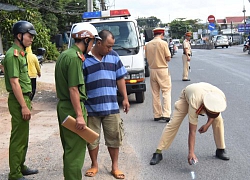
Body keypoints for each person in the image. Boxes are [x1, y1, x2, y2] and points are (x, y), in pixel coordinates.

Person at [54, 22, 101, 180]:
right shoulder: (74, 58)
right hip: (72, 108)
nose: (93, 45)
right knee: (76, 151)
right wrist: (80, 115)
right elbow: (73, 89)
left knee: (69, 149)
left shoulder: (65, 55)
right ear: (86, 40)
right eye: (93, 41)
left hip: (64, 107)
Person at [83, 30, 130, 179]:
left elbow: (120, 78)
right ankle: (94, 164)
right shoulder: (84, 59)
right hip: (91, 107)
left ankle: (115, 166)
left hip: (111, 106)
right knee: (92, 138)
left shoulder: (114, 57)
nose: (110, 49)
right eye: (108, 46)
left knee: (114, 137)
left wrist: (125, 98)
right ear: (98, 43)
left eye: (112, 46)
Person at [149, 82, 230, 166]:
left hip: (205, 93)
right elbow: (192, 131)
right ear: (205, 108)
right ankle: (158, 152)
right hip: (188, 96)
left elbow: (215, 111)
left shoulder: (220, 98)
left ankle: (220, 149)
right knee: (174, 122)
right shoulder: (195, 102)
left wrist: (207, 124)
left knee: (219, 120)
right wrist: (191, 153)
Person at [2, 20, 38, 180]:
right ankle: (14, 173)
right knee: (18, 137)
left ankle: (20, 165)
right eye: (29, 36)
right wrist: (23, 106)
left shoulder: (22, 53)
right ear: (19, 35)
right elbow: (14, 82)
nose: (31, 39)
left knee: (24, 136)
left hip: (24, 99)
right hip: (19, 101)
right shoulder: (12, 54)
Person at [145, 28, 172, 122]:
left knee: (155, 93)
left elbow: (146, 58)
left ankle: (157, 114)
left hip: (152, 70)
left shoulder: (147, 45)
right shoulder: (163, 43)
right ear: (162, 34)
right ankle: (166, 114)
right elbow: (168, 57)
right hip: (162, 70)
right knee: (166, 92)